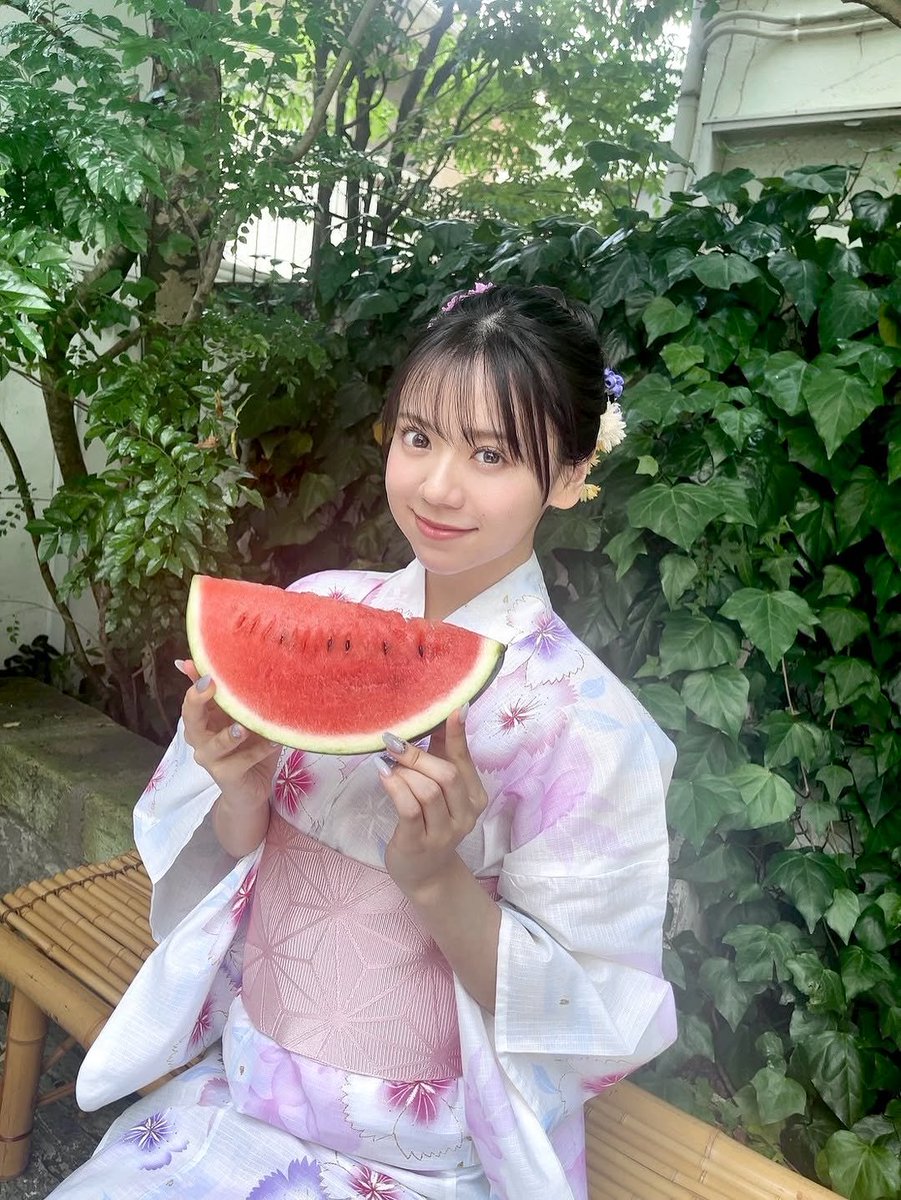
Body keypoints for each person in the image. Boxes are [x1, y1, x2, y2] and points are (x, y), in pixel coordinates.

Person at [48, 283, 677, 1200]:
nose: (438, 486)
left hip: (419, 1156)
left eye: (491, 453)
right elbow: (233, 865)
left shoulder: (594, 729)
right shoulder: (319, 605)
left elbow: (592, 1012)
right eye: (418, 437)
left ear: (571, 475)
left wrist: (434, 877)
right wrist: (239, 790)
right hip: (244, 1087)